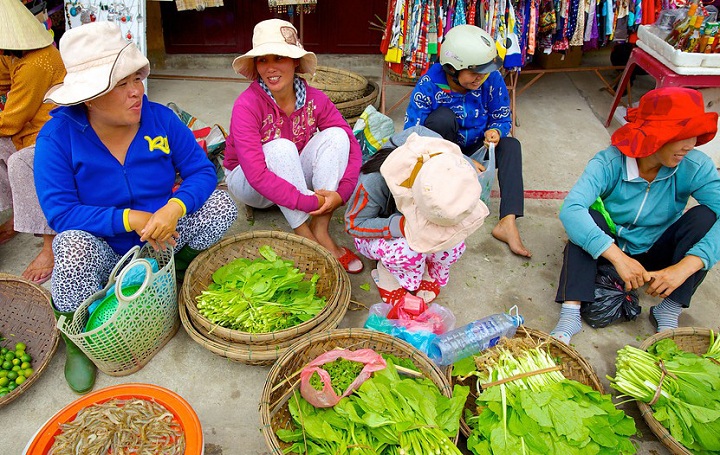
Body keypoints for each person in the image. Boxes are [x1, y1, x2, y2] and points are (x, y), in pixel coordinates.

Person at [35, 22, 238, 393]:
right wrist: (127, 217)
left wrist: (174, 208)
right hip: (102, 246)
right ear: (91, 97)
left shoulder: (159, 118)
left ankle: (172, 274)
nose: (136, 92)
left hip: (162, 238)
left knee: (221, 206)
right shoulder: (57, 137)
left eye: (136, 79)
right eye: (122, 84)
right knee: (70, 247)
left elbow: (200, 170)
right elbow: (60, 212)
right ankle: (77, 338)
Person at [550, 87, 720, 344]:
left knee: (705, 217)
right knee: (586, 221)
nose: (690, 145)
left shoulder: (695, 166)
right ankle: (570, 314)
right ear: (654, 136)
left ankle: (669, 308)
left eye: (694, 136)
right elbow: (571, 209)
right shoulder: (609, 162)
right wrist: (618, 257)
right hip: (610, 252)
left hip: (656, 253)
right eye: (682, 135)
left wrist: (685, 267)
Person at [224, 19, 364, 274]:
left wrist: (340, 194)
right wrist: (308, 202)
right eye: (262, 60)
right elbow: (256, 173)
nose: (270, 68)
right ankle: (304, 235)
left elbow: (351, 145)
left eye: (279, 58)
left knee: (337, 135)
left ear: (295, 62)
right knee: (281, 147)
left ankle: (320, 229)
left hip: (290, 176)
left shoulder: (316, 99)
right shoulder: (247, 106)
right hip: (249, 184)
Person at [404, 24, 531, 258]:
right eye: (474, 73)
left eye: (484, 72)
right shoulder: (429, 85)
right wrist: (459, 159)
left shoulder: (490, 79)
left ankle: (508, 221)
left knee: (512, 145)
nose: (480, 78)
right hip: (441, 153)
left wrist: (496, 130)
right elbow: (413, 135)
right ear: (452, 69)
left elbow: (502, 115)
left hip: (477, 145)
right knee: (441, 119)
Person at [345, 129, 489, 305]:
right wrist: (401, 225)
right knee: (407, 251)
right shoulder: (373, 181)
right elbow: (354, 224)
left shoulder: (452, 164)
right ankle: (387, 272)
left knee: (454, 243)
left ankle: (425, 268)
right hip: (382, 230)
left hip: (409, 225)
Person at [0, 0, 65, 283]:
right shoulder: (11, 54)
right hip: (26, 128)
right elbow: (3, 80)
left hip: (55, 134)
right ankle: (17, 215)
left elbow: (12, 120)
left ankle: (49, 246)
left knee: (21, 162)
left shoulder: (36, 62)